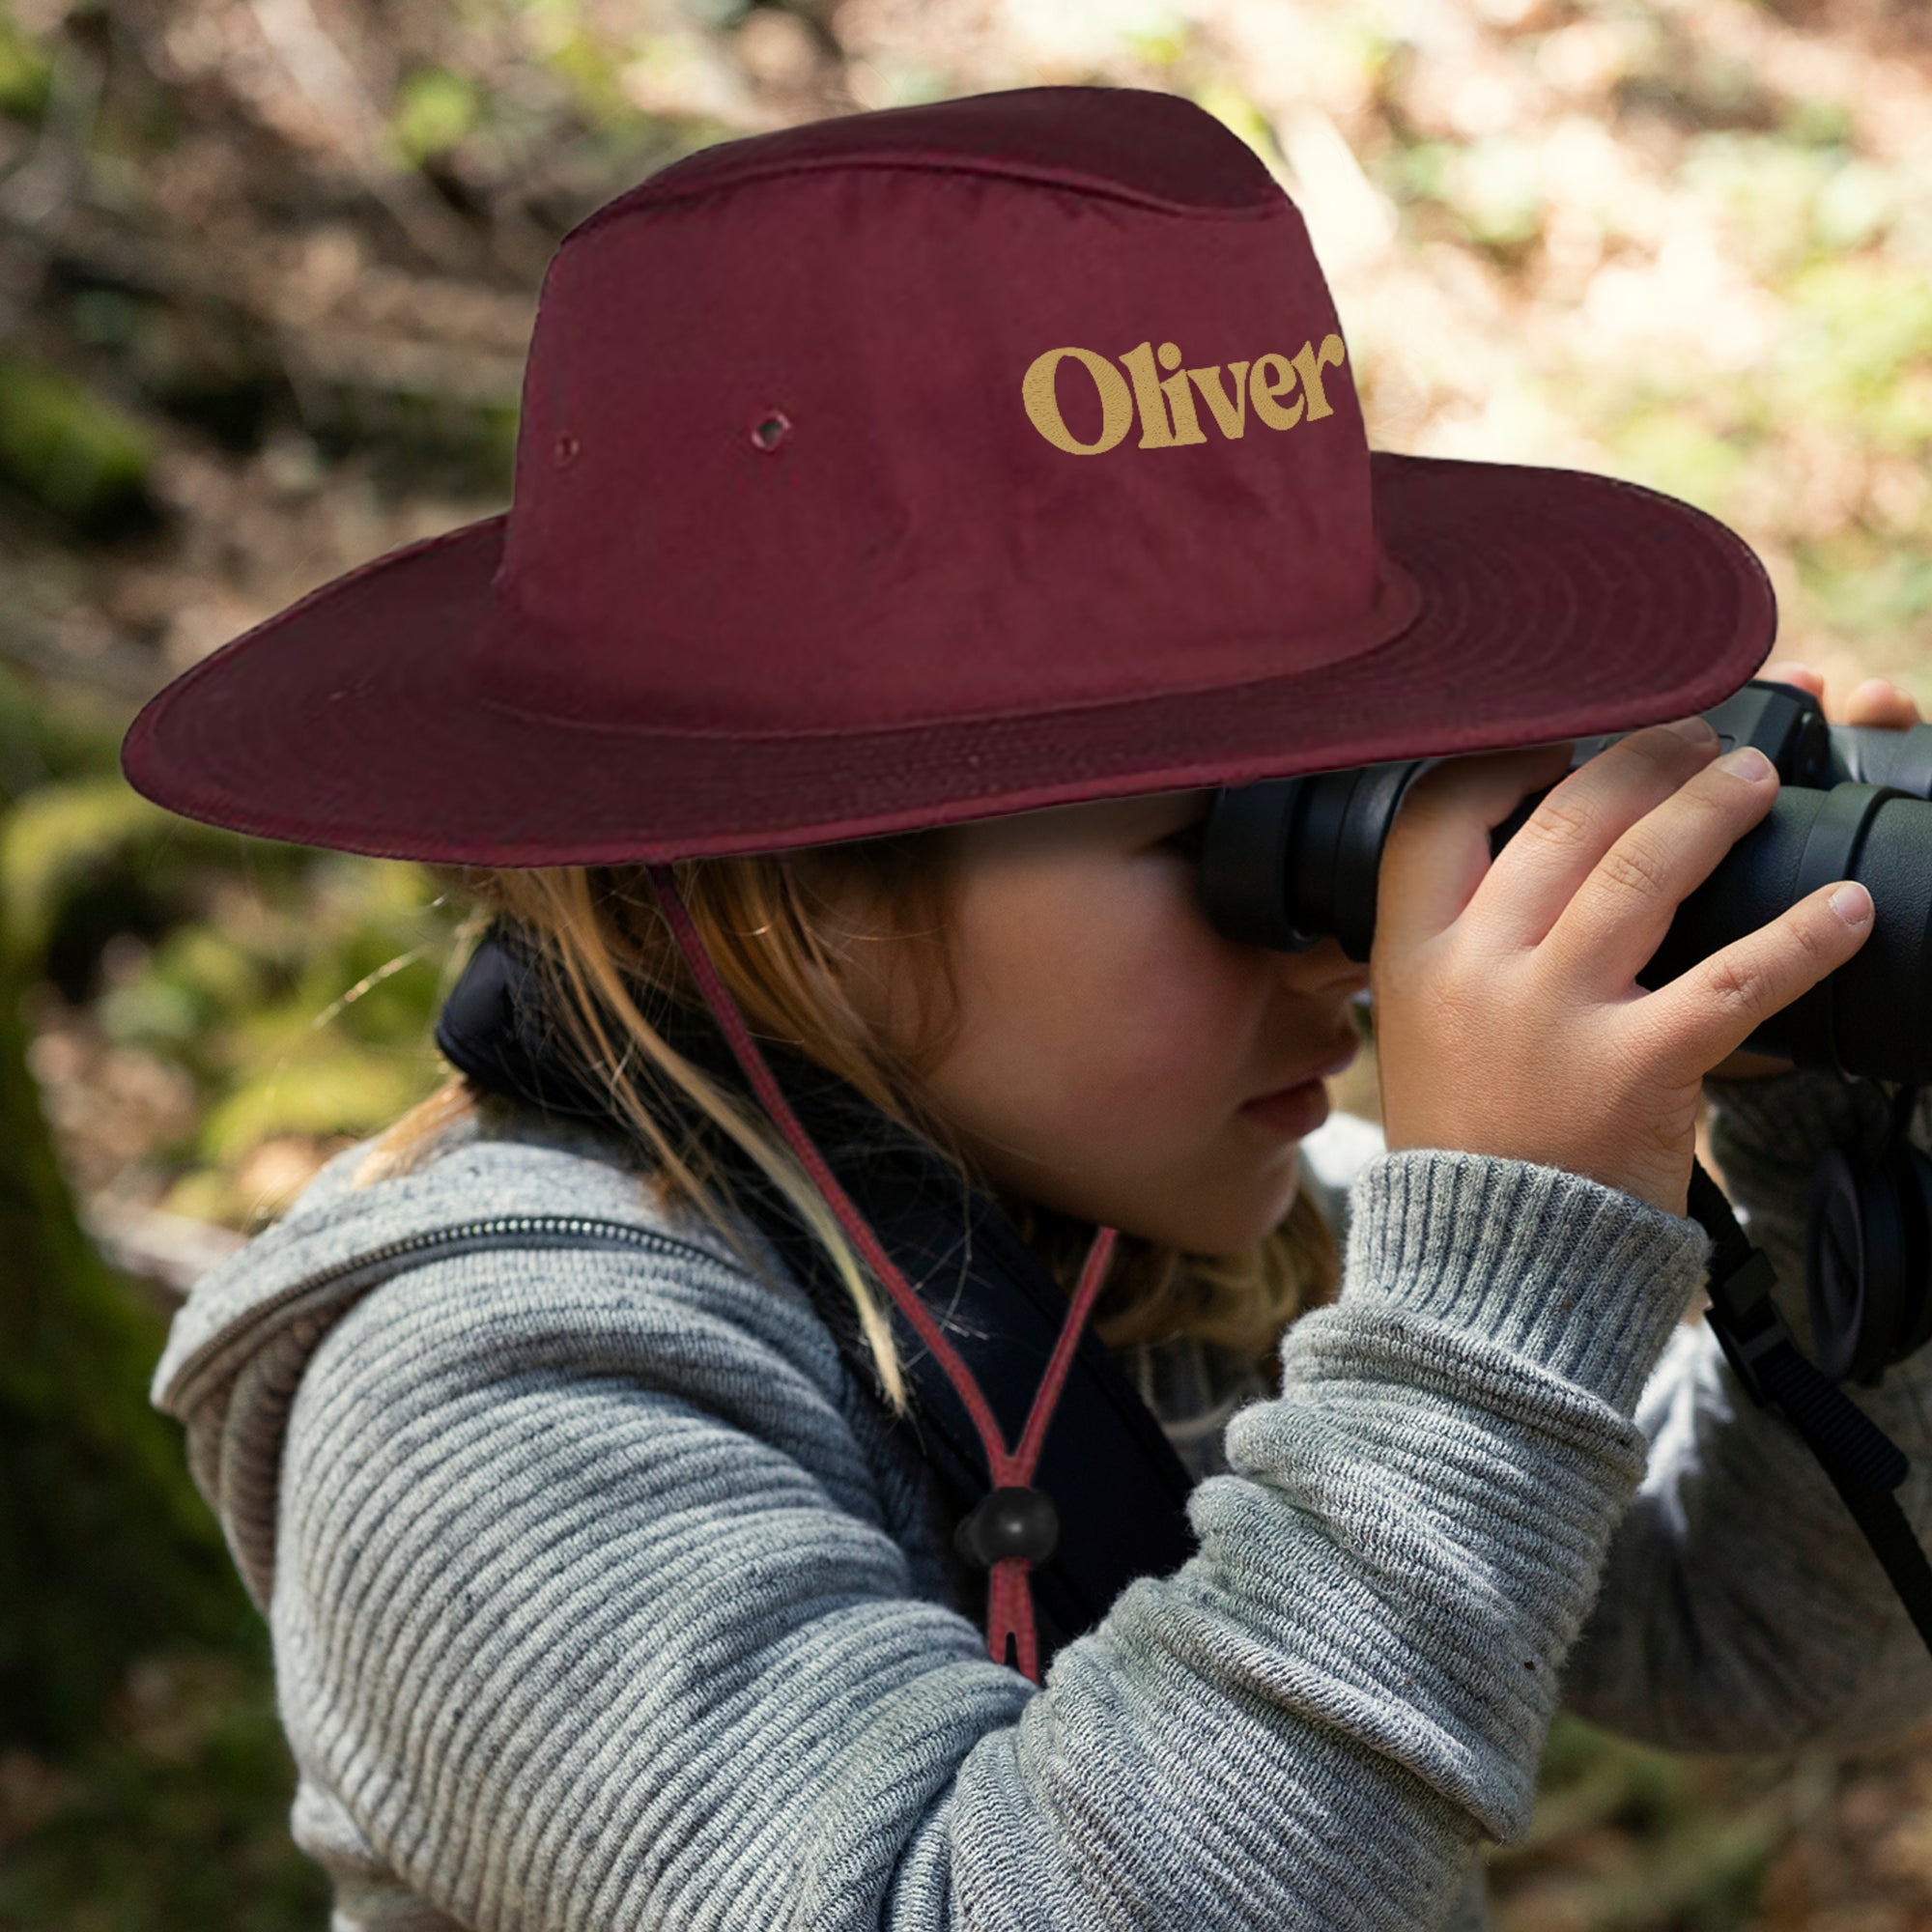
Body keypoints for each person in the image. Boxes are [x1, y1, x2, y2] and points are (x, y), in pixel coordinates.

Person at [125, 85, 1932, 1931]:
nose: (1347, 951)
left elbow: (1771, 1637)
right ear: (791, 884)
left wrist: (1841, 1133)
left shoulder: (1211, 1251)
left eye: (1355, 818)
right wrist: (1492, 1303)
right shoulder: (484, 1398)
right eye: (1233, 844)